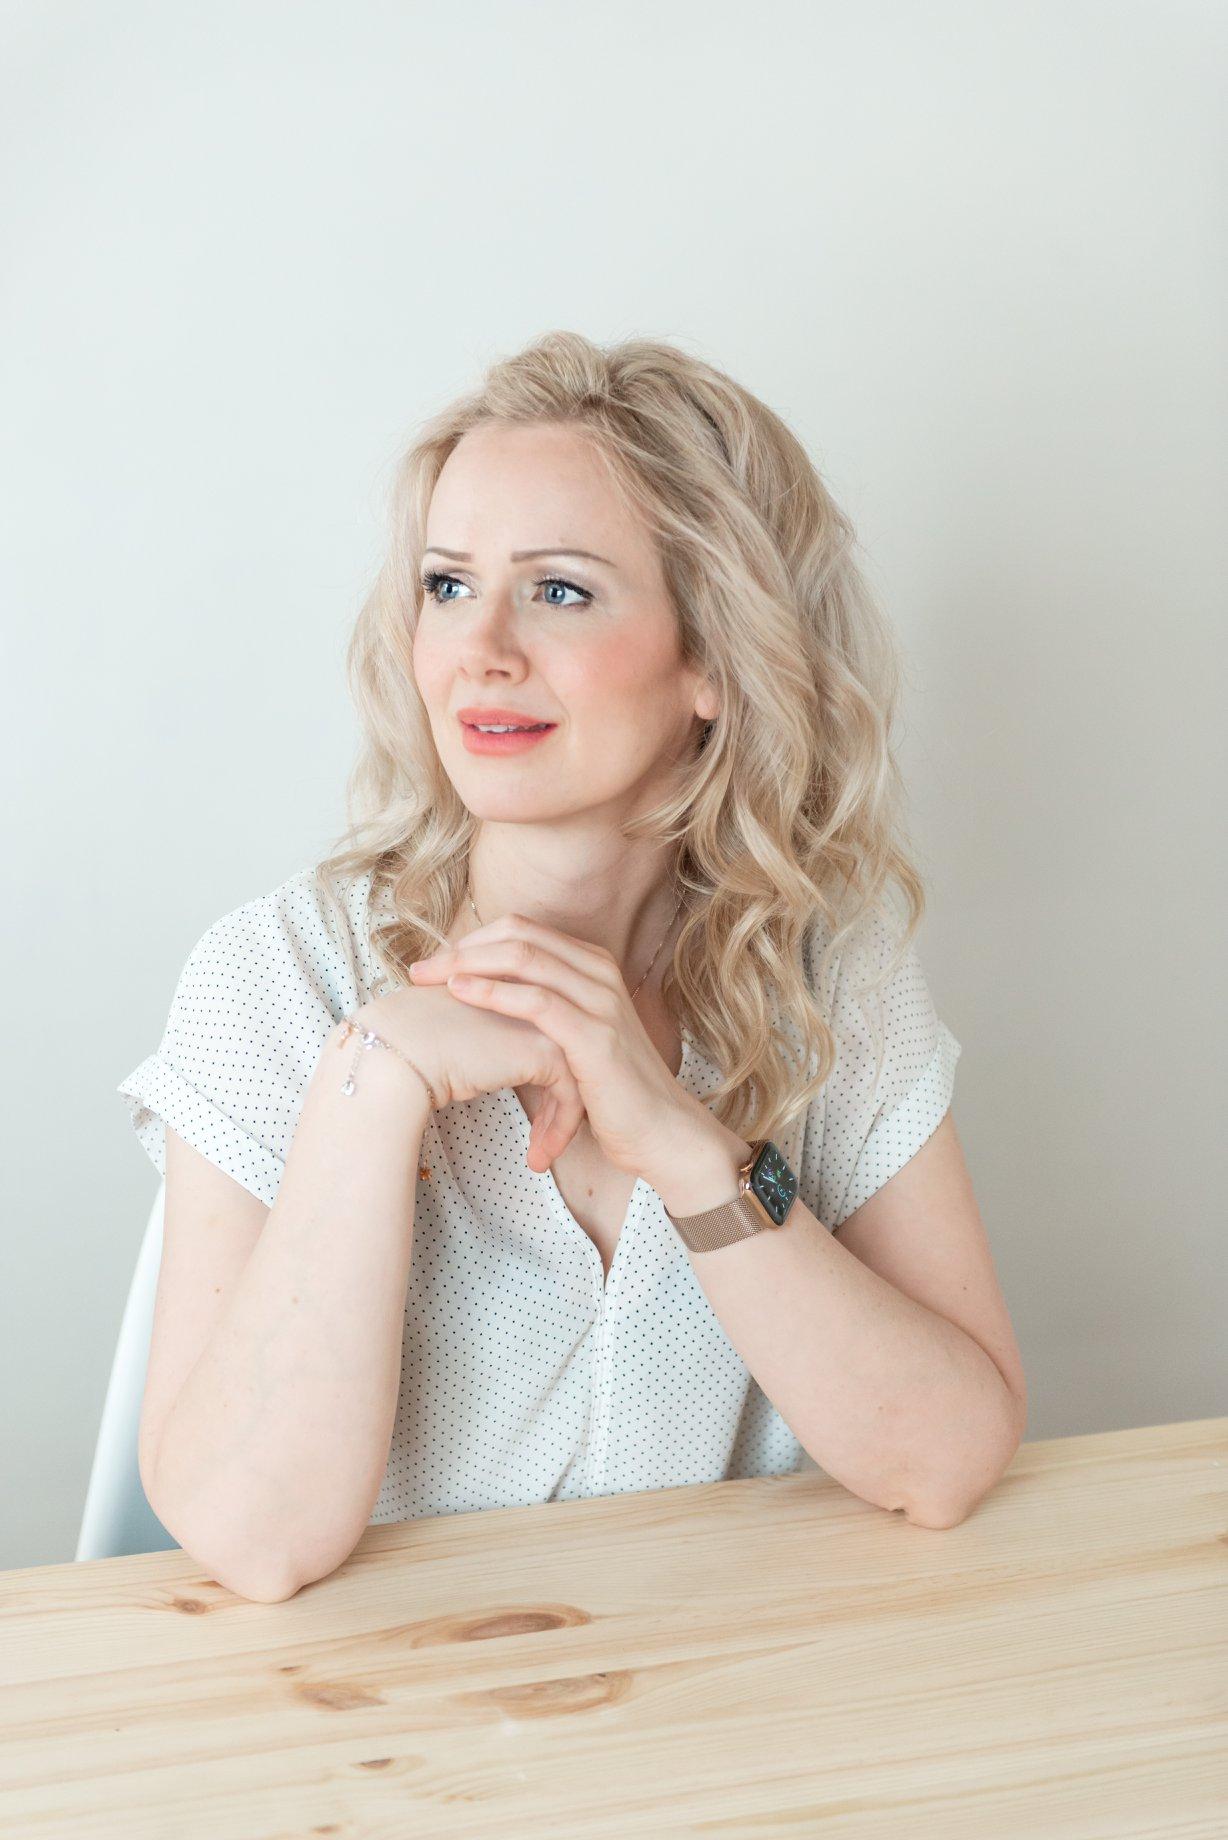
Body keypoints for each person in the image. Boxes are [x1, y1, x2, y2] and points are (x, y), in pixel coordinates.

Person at [118, 331, 1027, 1602]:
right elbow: (253, 1543)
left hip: (735, 1712)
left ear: (711, 658)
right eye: (446, 585)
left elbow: (943, 1460)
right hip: (378, 1734)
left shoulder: (827, 967)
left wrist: (688, 1148)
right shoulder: (276, 972)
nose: (479, 647)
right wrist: (372, 1087)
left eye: (558, 591)